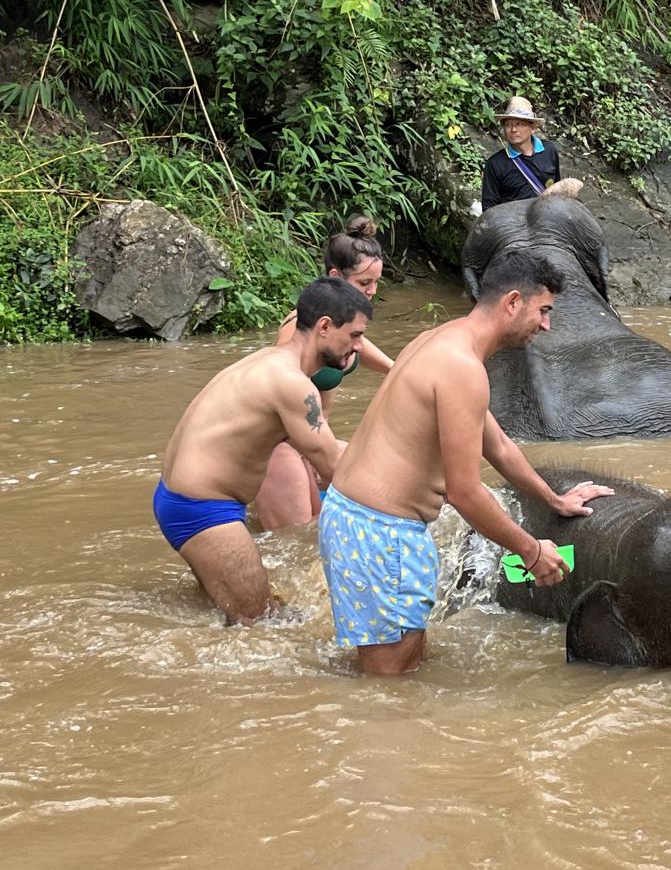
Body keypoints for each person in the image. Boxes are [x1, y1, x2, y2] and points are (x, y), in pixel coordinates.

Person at [319, 249, 614, 675]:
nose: (546, 325)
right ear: (512, 302)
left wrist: (555, 500)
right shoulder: (462, 368)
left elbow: (499, 446)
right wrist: (531, 552)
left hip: (356, 520)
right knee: (388, 685)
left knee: (402, 667)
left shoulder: (442, 341)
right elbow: (465, 491)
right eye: (544, 310)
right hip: (382, 535)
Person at [154, 277, 374, 624]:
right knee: (262, 624)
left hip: (184, 499)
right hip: (204, 511)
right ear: (324, 327)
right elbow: (336, 470)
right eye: (355, 335)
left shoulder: (270, 361)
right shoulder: (293, 385)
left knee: (221, 620)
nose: (359, 347)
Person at [254, 217, 394, 531]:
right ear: (335, 276)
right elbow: (280, 395)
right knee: (297, 542)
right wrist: (315, 456)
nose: (372, 291)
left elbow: (365, 351)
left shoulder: (344, 330)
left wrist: (399, 372)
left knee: (320, 535)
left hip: (313, 446)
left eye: (376, 283)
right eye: (364, 283)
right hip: (283, 448)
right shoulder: (299, 328)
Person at [481, 95, 562, 212]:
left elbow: (557, 189)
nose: (513, 129)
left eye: (519, 124)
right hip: (513, 221)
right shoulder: (495, 164)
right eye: (508, 124)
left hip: (546, 217)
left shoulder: (549, 150)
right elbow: (489, 209)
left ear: (533, 127)